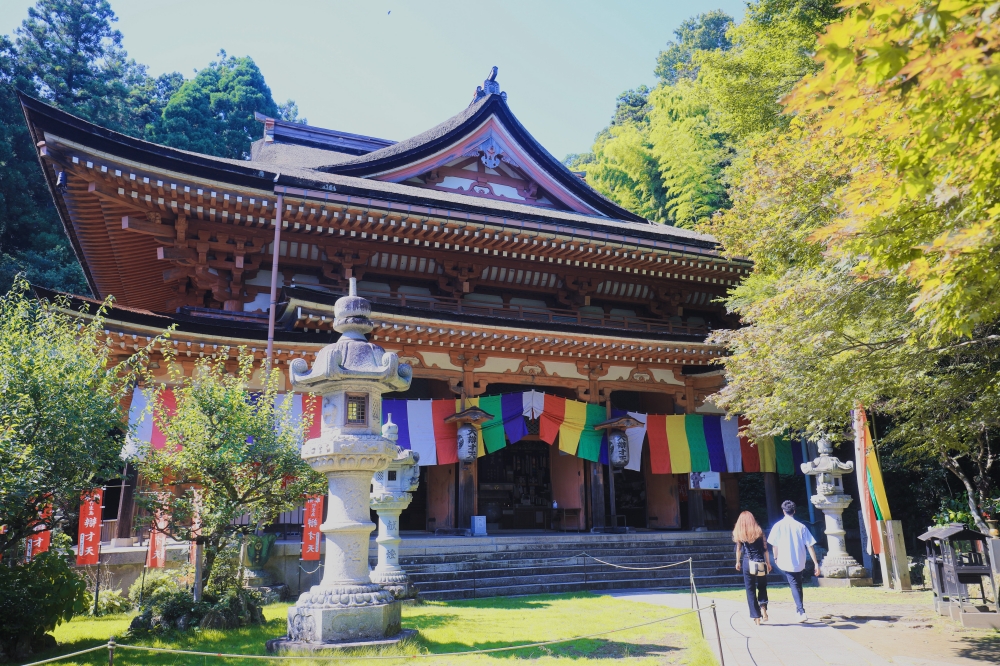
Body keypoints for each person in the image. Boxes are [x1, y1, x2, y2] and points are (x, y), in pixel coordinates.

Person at [767, 500, 821, 623]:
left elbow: (774, 545)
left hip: (785, 559)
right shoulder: (801, 526)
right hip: (800, 559)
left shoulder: (778, 526)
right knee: (798, 584)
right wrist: (816, 563)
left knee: (794, 584)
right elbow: (810, 545)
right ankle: (799, 609)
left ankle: (801, 611)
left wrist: (775, 558)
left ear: (783, 511)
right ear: (794, 511)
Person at [733, 511, 772, 625]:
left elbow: (738, 549)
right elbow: (765, 549)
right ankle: (763, 607)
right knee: (762, 586)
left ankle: (756, 617)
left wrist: (737, 562)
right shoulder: (759, 531)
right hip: (760, 562)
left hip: (747, 561)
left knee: (750, 589)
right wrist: (768, 563)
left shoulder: (740, 533)